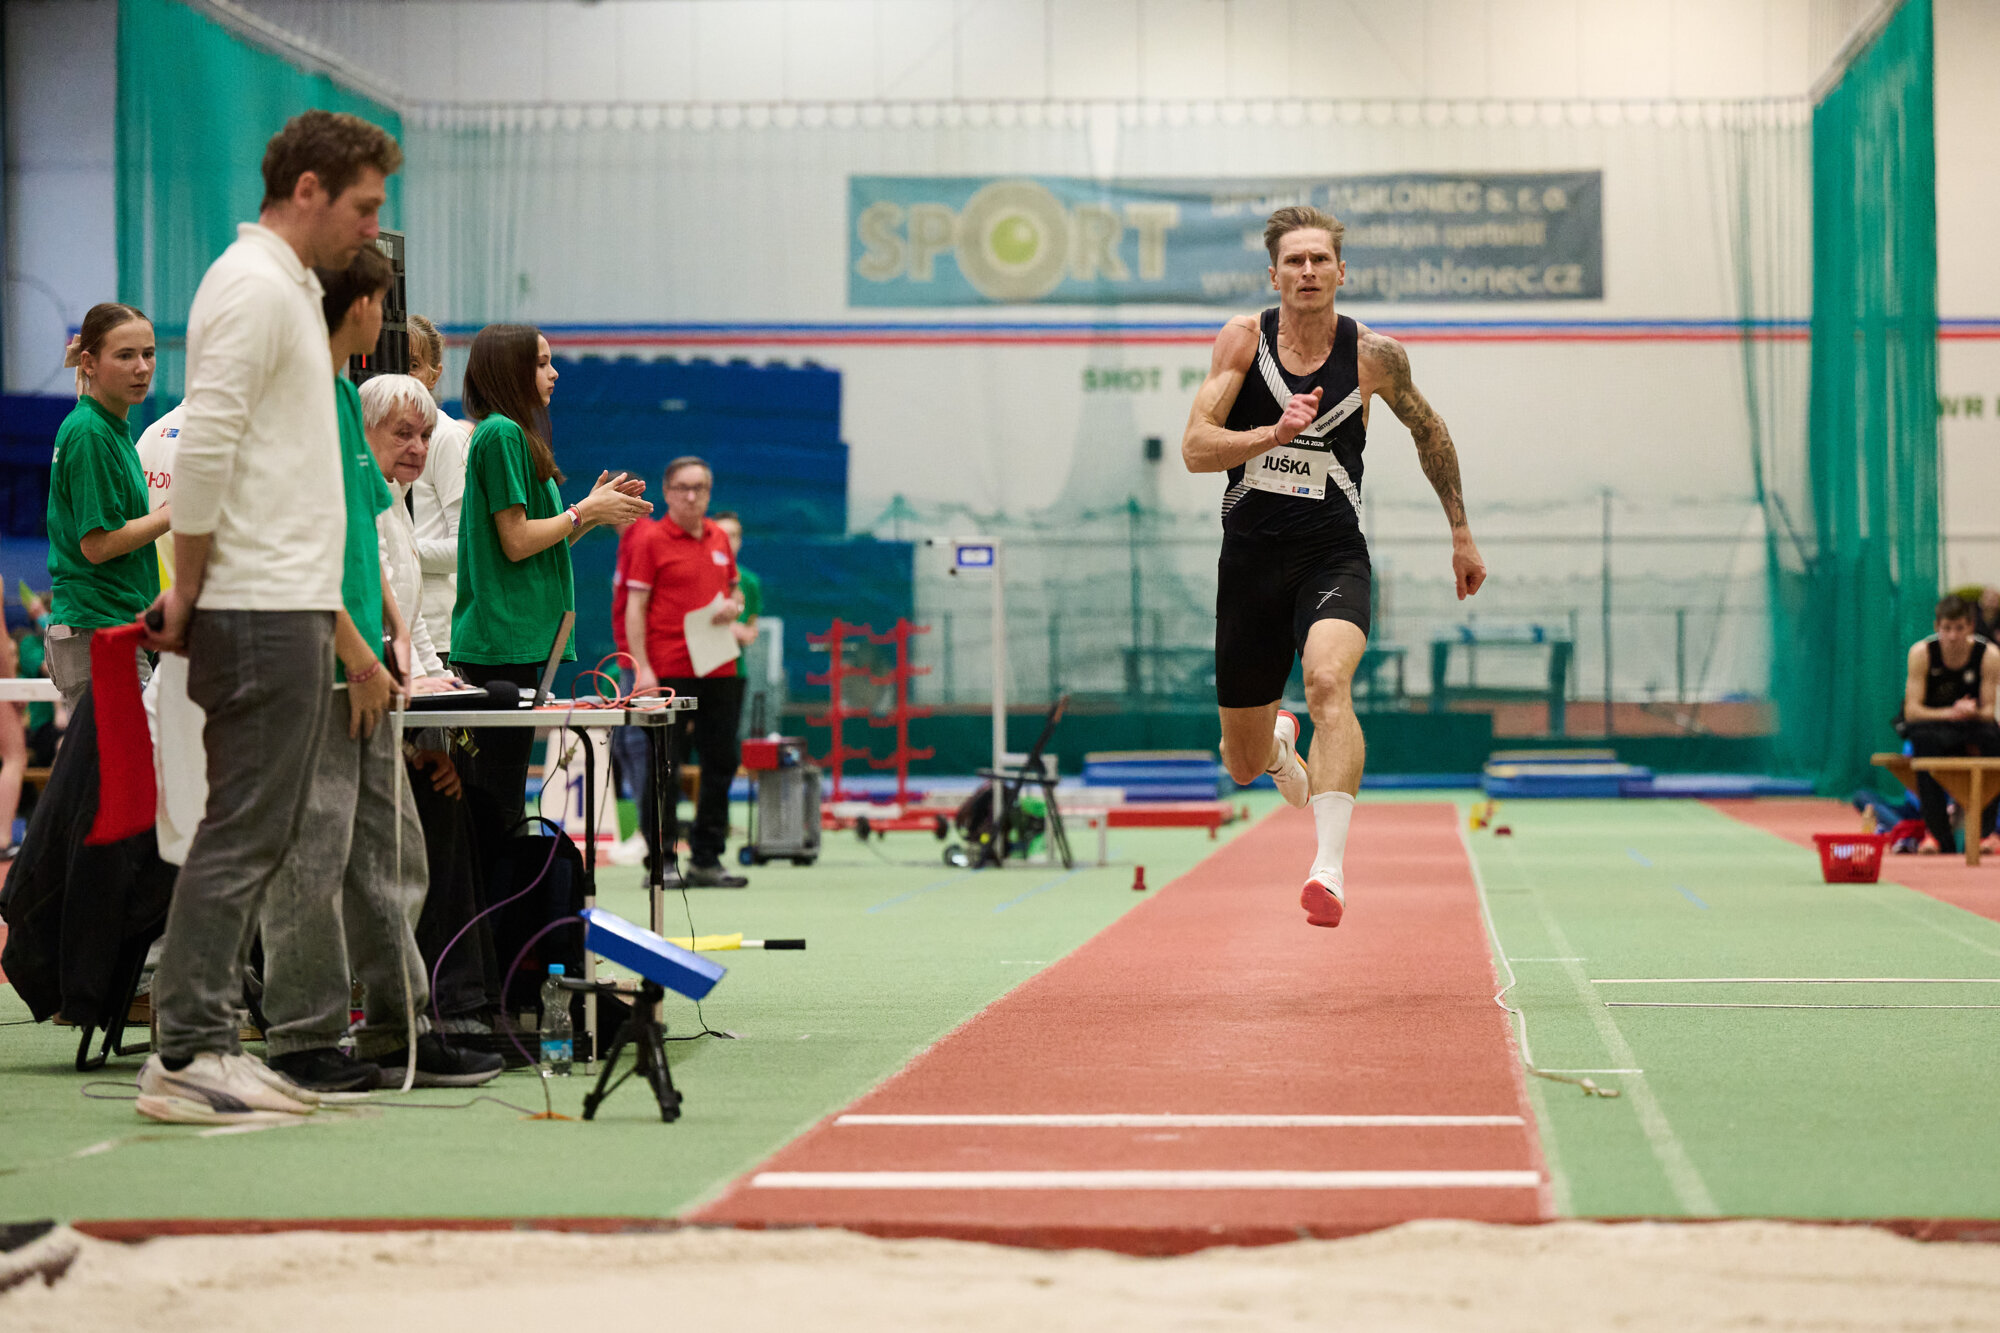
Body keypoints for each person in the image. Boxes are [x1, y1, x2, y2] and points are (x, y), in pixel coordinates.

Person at [135, 110, 402, 1125]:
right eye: (363, 207)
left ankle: (206, 1042)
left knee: (263, 830)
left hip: (284, 601)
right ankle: (187, 1052)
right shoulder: (250, 286)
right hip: (252, 603)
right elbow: (206, 447)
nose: (372, 229)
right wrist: (192, 590)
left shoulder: (288, 289)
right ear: (307, 190)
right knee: (245, 830)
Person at [1181, 204, 1486, 929]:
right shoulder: (1242, 341)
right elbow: (1195, 448)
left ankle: (1328, 870)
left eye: (1320, 259)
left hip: (1331, 556)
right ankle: (1279, 750)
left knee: (1327, 683)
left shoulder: (1374, 356)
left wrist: (1461, 531)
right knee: (1241, 764)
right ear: (1274, 275)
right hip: (1249, 564)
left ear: (1341, 271)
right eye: (1295, 260)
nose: (1308, 271)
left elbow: (1430, 429)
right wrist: (1272, 433)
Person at [449, 324, 649, 908]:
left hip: (520, 640)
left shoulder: (516, 437)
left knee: (505, 802)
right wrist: (583, 510)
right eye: (540, 362)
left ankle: (499, 932)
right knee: (495, 807)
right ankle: (488, 933)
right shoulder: (501, 434)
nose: (554, 372)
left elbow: (537, 546)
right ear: (510, 369)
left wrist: (589, 515)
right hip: (498, 645)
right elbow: (515, 542)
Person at [361, 372, 494, 1034]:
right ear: (364, 434)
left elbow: (407, 627)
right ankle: (438, 1008)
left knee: (451, 797)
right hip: (354, 717)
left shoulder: (395, 503)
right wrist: (414, 708)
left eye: (424, 434)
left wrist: (440, 687)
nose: (417, 447)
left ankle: (461, 1002)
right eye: (402, 434)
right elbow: (368, 627)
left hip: (394, 714)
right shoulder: (360, 510)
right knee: (434, 814)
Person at [626, 457, 749, 887]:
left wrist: (734, 606)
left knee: (722, 761)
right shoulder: (650, 539)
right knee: (665, 765)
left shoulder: (718, 536)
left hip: (719, 667)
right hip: (668, 670)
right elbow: (635, 607)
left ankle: (707, 859)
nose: (692, 496)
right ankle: (660, 861)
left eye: (700, 488)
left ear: (710, 492)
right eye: (683, 488)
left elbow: (734, 591)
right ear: (666, 492)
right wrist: (643, 668)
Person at [44, 303, 170, 711]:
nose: (142, 368)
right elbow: (97, 545)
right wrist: (172, 514)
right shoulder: (91, 433)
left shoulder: (108, 426)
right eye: (125, 355)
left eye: (148, 354)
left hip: (109, 629)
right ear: (90, 363)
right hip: (96, 632)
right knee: (118, 755)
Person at [1897, 594, 2000, 855]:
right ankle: (1937, 836)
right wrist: (1950, 712)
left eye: (1959, 628)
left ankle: (1986, 834)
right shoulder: (1921, 653)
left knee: (1993, 739)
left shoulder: (1988, 655)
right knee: (1923, 741)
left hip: (1970, 725)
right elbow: (1912, 711)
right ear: (1937, 627)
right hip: (1932, 724)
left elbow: (1989, 711)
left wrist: (1972, 711)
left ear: (1970, 626)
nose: (1953, 636)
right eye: (1946, 628)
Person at [407, 314, 470, 658]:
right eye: (394, 364)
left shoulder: (447, 438)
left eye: (413, 365)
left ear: (434, 374)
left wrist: (395, 551)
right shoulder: (368, 439)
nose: (402, 376)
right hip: (383, 628)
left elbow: (462, 550)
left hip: (435, 637)